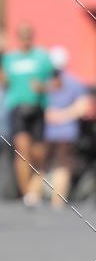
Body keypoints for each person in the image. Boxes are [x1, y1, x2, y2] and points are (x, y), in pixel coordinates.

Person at [0, 24, 55, 206]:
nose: (26, 40)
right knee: (22, 149)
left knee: (37, 153)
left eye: (28, 36)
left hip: (37, 107)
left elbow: (57, 82)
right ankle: (27, 194)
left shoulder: (42, 57)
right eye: (22, 36)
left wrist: (44, 87)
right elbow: (2, 79)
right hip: (17, 107)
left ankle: (36, 182)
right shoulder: (9, 58)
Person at [43, 47, 89, 208]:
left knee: (43, 165)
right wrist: (64, 116)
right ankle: (57, 202)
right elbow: (82, 107)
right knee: (62, 166)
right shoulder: (75, 82)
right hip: (66, 131)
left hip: (47, 131)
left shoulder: (45, 82)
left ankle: (33, 197)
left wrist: (52, 115)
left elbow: (38, 105)